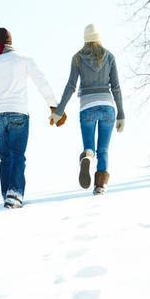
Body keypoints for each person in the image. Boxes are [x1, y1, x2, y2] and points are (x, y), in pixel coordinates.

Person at [0, 27, 66, 209]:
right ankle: (15, 194)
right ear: (11, 41)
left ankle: (7, 194)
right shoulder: (23, 59)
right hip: (18, 113)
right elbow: (41, 82)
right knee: (17, 155)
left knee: (5, 157)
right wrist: (54, 106)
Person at [50, 24, 125, 195]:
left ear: (85, 39)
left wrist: (59, 111)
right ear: (99, 38)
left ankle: (87, 157)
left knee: (90, 148)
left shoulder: (77, 58)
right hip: (108, 107)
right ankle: (100, 187)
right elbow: (116, 87)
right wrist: (121, 113)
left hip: (87, 107)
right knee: (104, 149)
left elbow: (70, 86)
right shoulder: (110, 56)